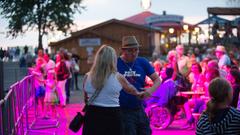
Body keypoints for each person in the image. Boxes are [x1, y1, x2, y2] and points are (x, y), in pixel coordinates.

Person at [82, 45, 143, 135]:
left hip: (92, 115)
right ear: (113, 60)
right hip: (112, 115)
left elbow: (85, 99)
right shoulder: (118, 77)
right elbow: (132, 90)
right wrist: (140, 93)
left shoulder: (87, 76)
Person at [117, 36, 161, 135]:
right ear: (122, 50)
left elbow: (158, 80)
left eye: (136, 50)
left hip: (139, 108)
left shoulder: (142, 62)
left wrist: (150, 91)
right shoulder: (116, 63)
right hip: (122, 109)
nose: (134, 53)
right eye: (130, 50)